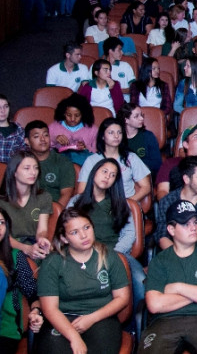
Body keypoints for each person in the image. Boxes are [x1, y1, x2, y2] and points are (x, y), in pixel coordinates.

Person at [35, 208, 130, 354]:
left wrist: (91, 318)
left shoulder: (109, 256)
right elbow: (50, 308)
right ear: (64, 238)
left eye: (87, 227)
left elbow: (122, 298)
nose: (84, 235)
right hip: (63, 318)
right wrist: (74, 337)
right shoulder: (52, 262)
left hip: (101, 317)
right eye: (74, 232)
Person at [142, 199, 197, 353]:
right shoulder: (159, 261)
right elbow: (155, 304)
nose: (193, 228)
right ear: (171, 229)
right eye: (185, 224)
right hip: (165, 322)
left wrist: (177, 288)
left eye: (195, 222)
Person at [68, 158, 144, 307]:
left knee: (140, 282)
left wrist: (113, 255)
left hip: (114, 253)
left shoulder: (120, 203)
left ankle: (134, 327)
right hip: (81, 254)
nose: (107, 177)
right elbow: (65, 230)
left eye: (112, 175)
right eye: (104, 171)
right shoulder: (76, 202)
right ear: (94, 172)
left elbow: (129, 234)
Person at [77, 117, 151, 202]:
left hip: (125, 204)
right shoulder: (91, 160)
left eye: (119, 132)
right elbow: (81, 191)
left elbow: (146, 187)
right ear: (102, 136)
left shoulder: (131, 158)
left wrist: (128, 204)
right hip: (98, 206)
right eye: (111, 132)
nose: (116, 136)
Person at [0, 205, 43, 350]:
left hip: (6, 330)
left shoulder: (15, 257)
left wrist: (36, 312)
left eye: (1, 223)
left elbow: (33, 294)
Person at [0, 152, 52, 263]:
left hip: (32, 243)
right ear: (14, 172)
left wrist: (41, 239)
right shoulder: (2, 201)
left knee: (49, 258)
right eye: (27, 168)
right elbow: (2, 235)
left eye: (36, 168)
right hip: (7, 245)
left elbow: (42, 230)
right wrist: (25, 248)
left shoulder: (44, 197)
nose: (33, 172)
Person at [117, 102, 162, 176]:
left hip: (144, 174)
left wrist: (135, 164)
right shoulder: (118, 137)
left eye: (141, 115)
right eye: (136, 116)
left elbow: (157, 163)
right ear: (126, 120)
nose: (141, 118)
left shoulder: (148, 136)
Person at [0, 95, 26, 164]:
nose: (3, 110)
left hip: (13, 171)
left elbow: (23, 157)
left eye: (6, 106)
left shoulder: (19, 131)